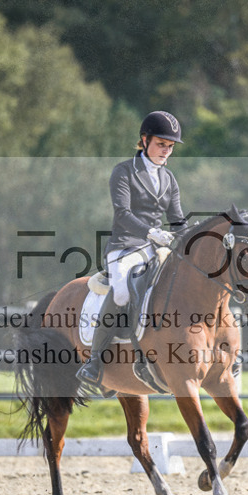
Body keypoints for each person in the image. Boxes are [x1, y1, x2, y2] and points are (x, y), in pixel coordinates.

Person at [76, 111, 186, 388]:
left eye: (170, 147)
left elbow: (177, 218)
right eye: (161, 144)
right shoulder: (124, 172)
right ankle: (95, 361)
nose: (166, 151)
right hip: (125, 246)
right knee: (123, 292)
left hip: (155, 248)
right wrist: (150, 232)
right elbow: (122, 213)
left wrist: (190, 234)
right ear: (145, 140)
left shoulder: (169, 179)